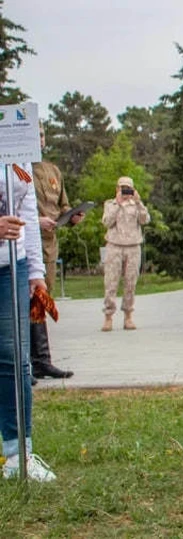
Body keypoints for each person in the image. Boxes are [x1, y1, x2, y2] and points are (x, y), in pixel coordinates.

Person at [1, 163, 56, 481]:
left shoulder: (14, 147)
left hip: (12, 265)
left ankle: (18, 455)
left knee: (16, 359)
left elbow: (28, 214)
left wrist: (36, 271)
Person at [30, 126, 82, 380]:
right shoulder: (14, 169)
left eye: (41, 134)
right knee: (24, 299)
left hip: (48, 243)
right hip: (24, 240)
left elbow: (62, 203)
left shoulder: (52, 170)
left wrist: (72, 216)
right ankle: (26, 362)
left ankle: (41, 360)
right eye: (35, 134)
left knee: (41, 298)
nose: (39, 139)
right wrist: (35, 220)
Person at [100, 176, 150, 331]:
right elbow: (106, 222)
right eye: (122, 188)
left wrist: (138, 202)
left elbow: (145, 220)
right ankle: (108, 316)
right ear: (117, 189)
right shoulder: (110, 204)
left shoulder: (136, 205)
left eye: (128, 188)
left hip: (133, 246)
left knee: (130, 283)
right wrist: (118, 204)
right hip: (114, 246)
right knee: (111, 282)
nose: (125, 191)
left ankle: (128, 315)